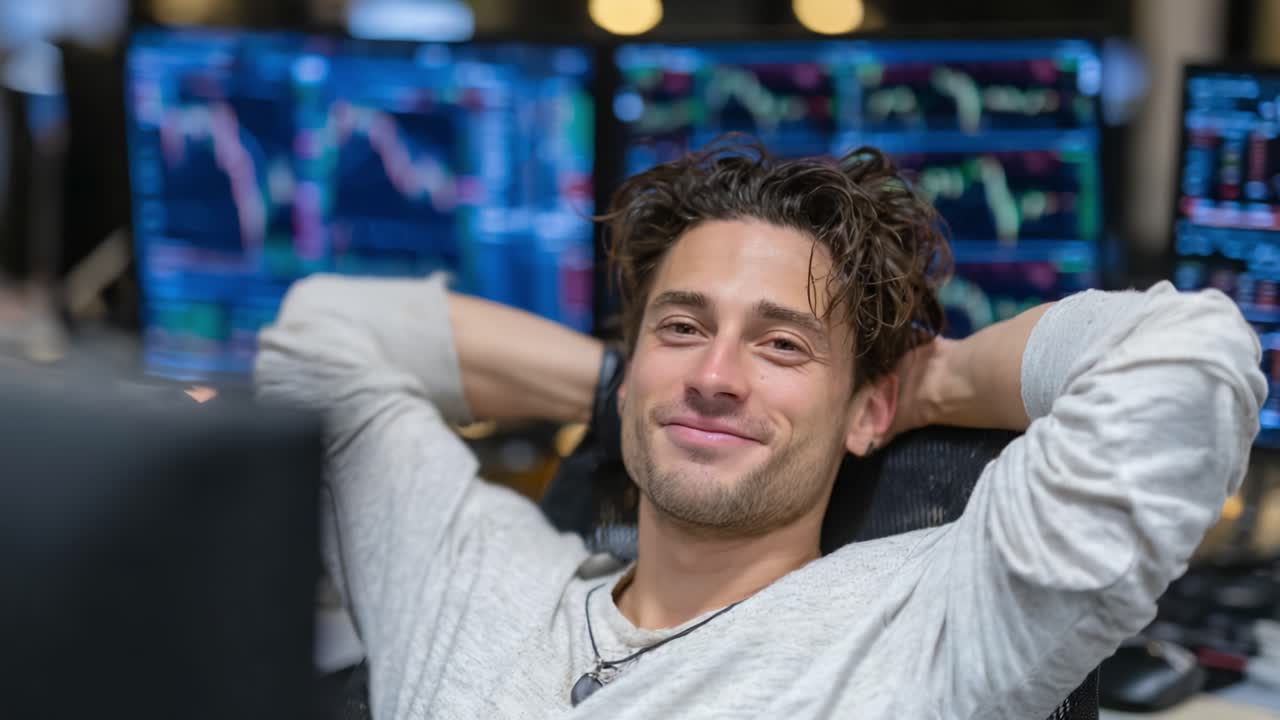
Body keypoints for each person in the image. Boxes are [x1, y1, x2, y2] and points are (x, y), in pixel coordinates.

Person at [255, 141, 1266, 720]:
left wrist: (927, 384)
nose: (714, 376)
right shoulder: (469, 573)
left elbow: (1186, 357)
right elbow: (317, 337)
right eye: (681, 327)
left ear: (866, 409)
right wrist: (621, 385)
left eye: (781, 345)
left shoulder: (935, 624)